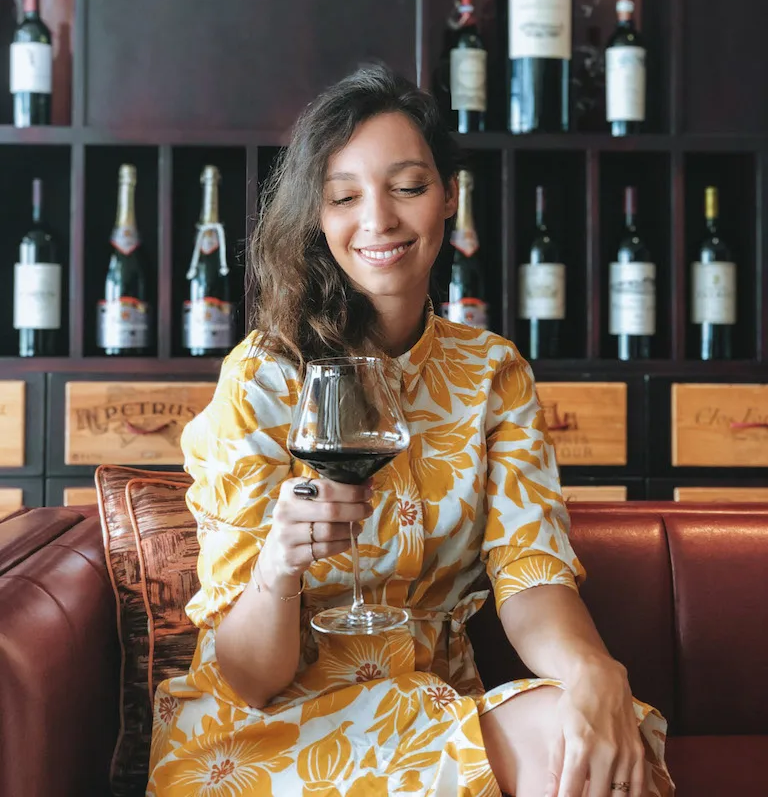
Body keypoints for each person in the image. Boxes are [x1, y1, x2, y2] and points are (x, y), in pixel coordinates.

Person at [147, 64, 673, 796]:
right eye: (344, 196)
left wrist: (594, 673)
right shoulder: (264, 379)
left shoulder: (491, 372)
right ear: (319, 217)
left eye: (408, 186)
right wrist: (279, 566)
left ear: (449, 195)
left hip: (426, 714)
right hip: (268, 732)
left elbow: (531, 574)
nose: (379, 220)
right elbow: (246, 675)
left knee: (601, 746)